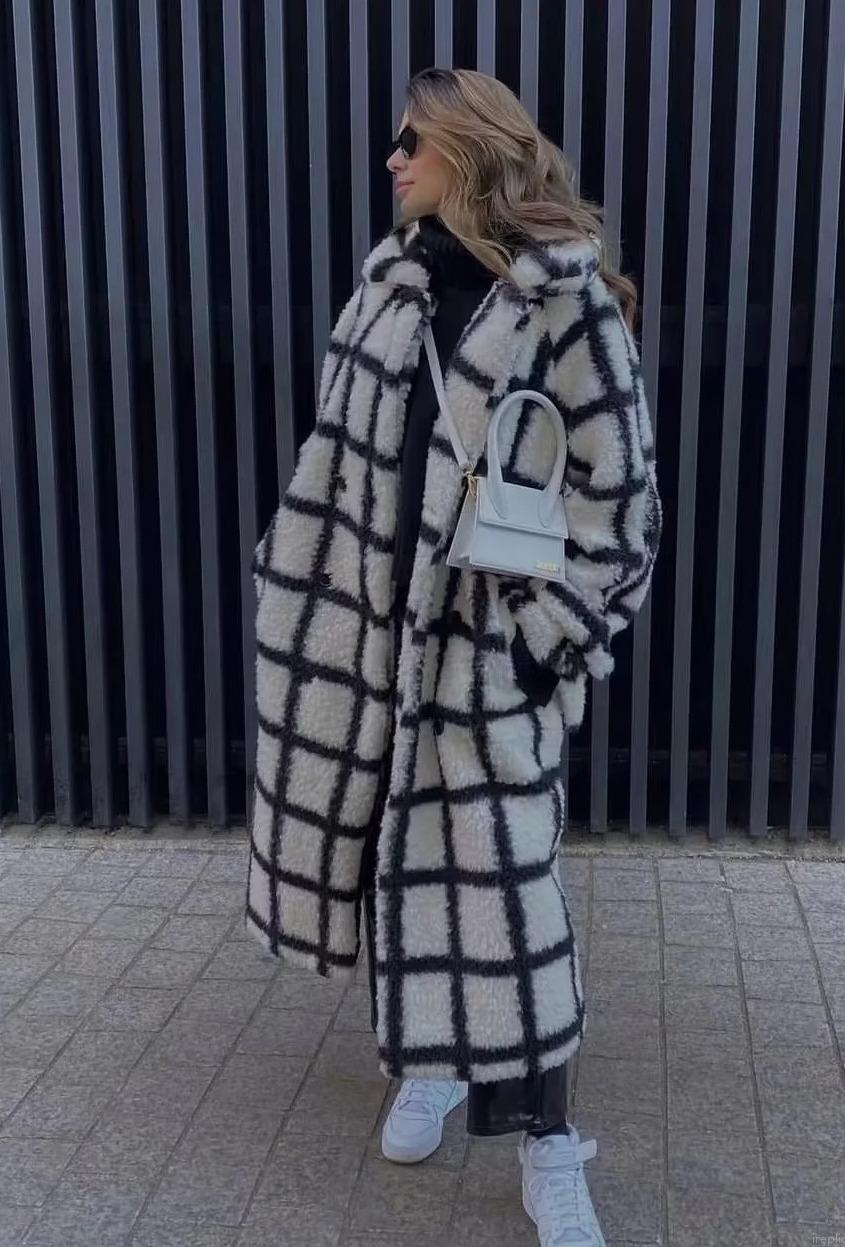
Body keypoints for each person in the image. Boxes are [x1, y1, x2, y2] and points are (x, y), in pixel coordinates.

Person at [246, 66, 662, 1247]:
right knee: (397, 862)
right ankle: (429, 1057)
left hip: (484, 659)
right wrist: (301, 584)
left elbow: (620, 502)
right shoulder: (386, 290)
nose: (391, 159)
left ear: (470, 152)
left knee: (512, 905)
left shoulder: (564, 304)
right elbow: (334, 459)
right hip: (371, 641)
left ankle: (546, 1146)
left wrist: (540, 650)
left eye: (410, 140)